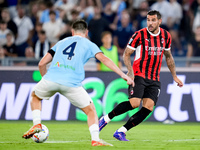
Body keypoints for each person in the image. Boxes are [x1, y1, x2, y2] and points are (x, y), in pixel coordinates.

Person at [22, 19, 133, 146]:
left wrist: (46, 79)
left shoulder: (60, 42)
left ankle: (37, 123)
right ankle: (95, 139)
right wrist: (122, 74)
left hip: (51, 79)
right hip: (72, 84)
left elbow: (42, 63)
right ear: (86, 32)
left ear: (72, 31)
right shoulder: (90, 44)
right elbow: (104, 59)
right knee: (91, 111)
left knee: (35, 97)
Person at [99, 10, 183, 141]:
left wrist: (175, 76)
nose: (150, 23)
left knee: (148, 107)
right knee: (134, 103)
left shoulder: (166, 36)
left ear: (159, 21)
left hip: (155, 78)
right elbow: (126, 54)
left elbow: (169, 57)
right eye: (148, 20)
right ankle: (105, 119)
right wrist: (130, 72)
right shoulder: (139, 35)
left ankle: (121, 131)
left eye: (153, 20)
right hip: (139, 74)